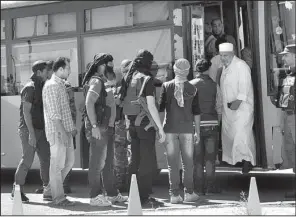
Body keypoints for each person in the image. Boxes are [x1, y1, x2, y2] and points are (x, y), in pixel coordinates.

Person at [119, 49, 166, 207]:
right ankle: (144, 197)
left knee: (135, 160)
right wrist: (160, 128)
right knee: (147, 162)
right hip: (146, 126)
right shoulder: (147, 79)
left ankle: (134, 194)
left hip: (132, 125)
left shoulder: (129, 77)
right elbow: (151, 106)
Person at [82, 53, 128, 207]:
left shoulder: (103, 81)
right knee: (97, 163)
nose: (112, 67)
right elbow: (89, 103)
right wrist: (94, 126)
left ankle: (112, 194)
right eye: (110, 64)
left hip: (107, 127)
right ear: (102, 64)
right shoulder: (96, 81)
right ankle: (95, 196)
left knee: (108, 163)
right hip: (99, 128)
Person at [158, 58, 201, 204]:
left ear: (175, 70)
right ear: (188, 71)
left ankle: (174, 195)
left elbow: (160, 109)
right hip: (187, 130)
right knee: (188, 163)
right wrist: (198, 132)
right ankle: (189, 193)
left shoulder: (166, 86)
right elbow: (196, 112)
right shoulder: (193, 88)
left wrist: (160, 129)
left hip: (169, 129)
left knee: (172, 163)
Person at [11, 60, 51, 202]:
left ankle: (48, 189)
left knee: (46, 159)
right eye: (46, 71)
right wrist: (32, 135)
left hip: (40, 130)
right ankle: (17, 190)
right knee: (27, 160)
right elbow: (26, 113)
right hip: (29, 130)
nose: (49, 73)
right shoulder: (30, 88)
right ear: (39, 72)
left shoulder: (41, 85)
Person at [42, 57, 76, 206]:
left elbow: (64, 110)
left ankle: (50, 190)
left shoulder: (61, 85)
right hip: (57, 132)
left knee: (69, 162)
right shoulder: (51, 86)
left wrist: (71, 129)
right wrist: (62, 132)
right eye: (68, 68)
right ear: (61, 69)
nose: (70, 71)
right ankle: (58, 197)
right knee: (57, 165)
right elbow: (54, 114)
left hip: (65, 131)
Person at [218, 43, 256, 173]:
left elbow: (244, 87)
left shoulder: (241, 66)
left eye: (225, 56)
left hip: (242, 108)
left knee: (242, 134)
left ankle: (248, 161)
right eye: (221, 56)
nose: (223, 58)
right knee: (231, 135)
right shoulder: (224, 67)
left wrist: (237, 102)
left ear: (232, 54)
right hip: (229, 109)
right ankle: (237, 160)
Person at [190, 58, 222, 195]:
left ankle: (198, 188)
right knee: (210, 159)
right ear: (208, 69)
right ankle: (210, 187)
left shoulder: (190, 85)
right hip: (211, 124)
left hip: (195, 126)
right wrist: (218, 122)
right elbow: (219, 106)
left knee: (197, 160)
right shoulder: (215, 85)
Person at [277, 44, 295, 199]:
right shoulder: (289, 74)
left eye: (286, 55)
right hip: (288, 116)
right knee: (290, 151)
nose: (283, 58)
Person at [113, 59, 132, 192]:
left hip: (121, 124)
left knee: (120, 154)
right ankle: (128, 182)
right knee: (128, 154)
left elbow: (118, 102)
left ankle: (121, 183)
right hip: (131, 123)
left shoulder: (120, 85)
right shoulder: (135, 83)